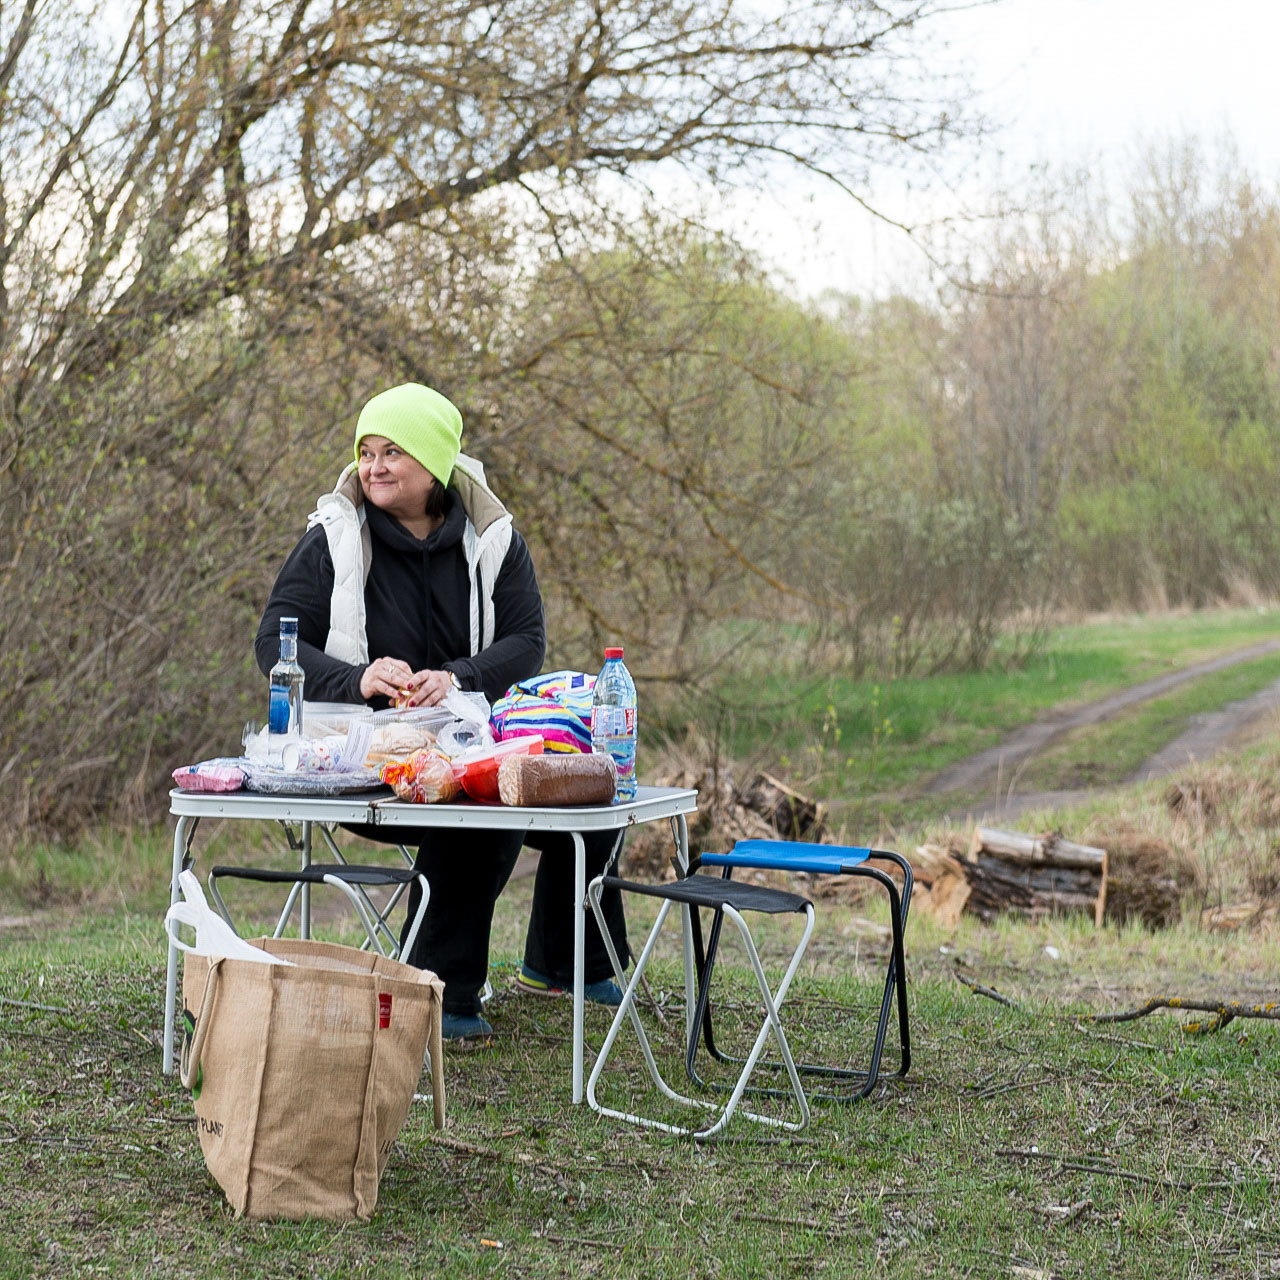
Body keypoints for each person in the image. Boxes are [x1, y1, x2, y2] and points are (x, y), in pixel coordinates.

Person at [254, 382, 629, 1041]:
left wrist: (457, 676)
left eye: (391, 452)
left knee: (591, 783)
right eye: (365, 452)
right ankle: (437, 995)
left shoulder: (493, 539)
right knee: (478, 807)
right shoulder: (331, 541)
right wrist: (358, 677)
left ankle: (566, 963)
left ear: (433, 462)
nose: (373, 467)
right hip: (365, 758)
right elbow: (272, 643)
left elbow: (525, 641)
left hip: (469, 734)